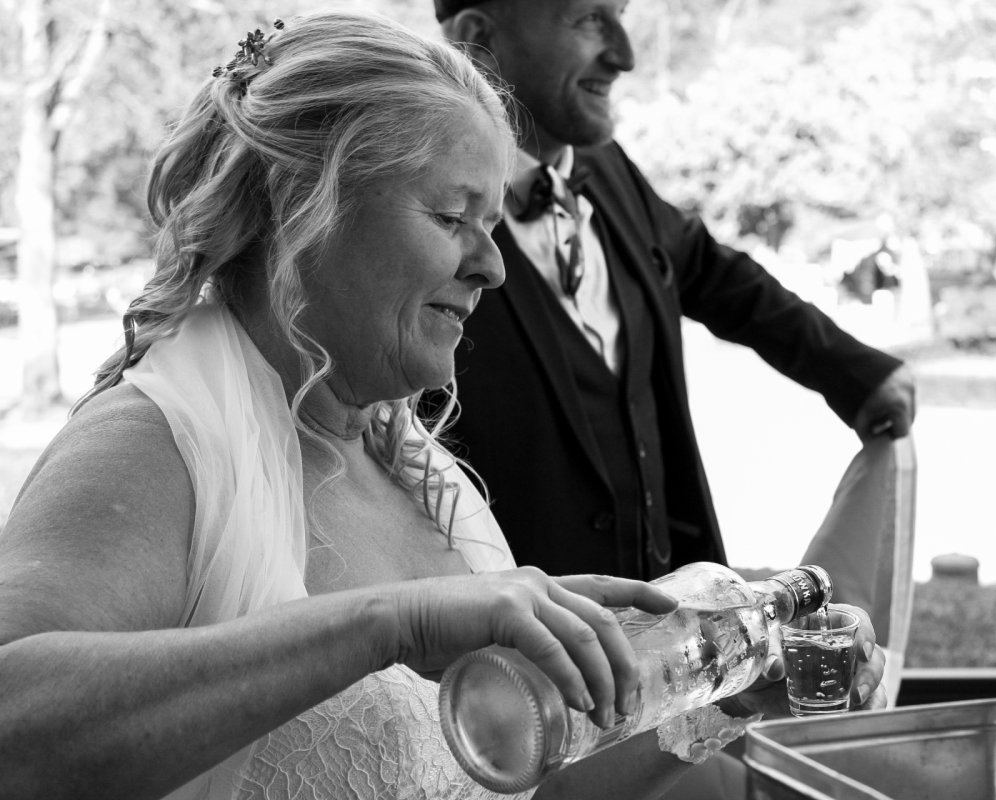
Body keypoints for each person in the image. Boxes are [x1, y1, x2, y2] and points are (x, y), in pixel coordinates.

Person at [0, 11, 885, 800]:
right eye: (453, 217)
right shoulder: (154, 440)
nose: (491, 266)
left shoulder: (416, 469)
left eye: (493, 225)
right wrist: (392, 622)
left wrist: (725, 696)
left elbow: (512, 778)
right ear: (303, 208)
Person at [436, 0, 917, 583]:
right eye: (589, 19)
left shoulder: (608, 170)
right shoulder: (414, 208)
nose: (624, 56)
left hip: (670, 614)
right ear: (478, 39)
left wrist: (855, 373)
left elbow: (710, 272)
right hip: (513, 627)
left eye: (620, 14)